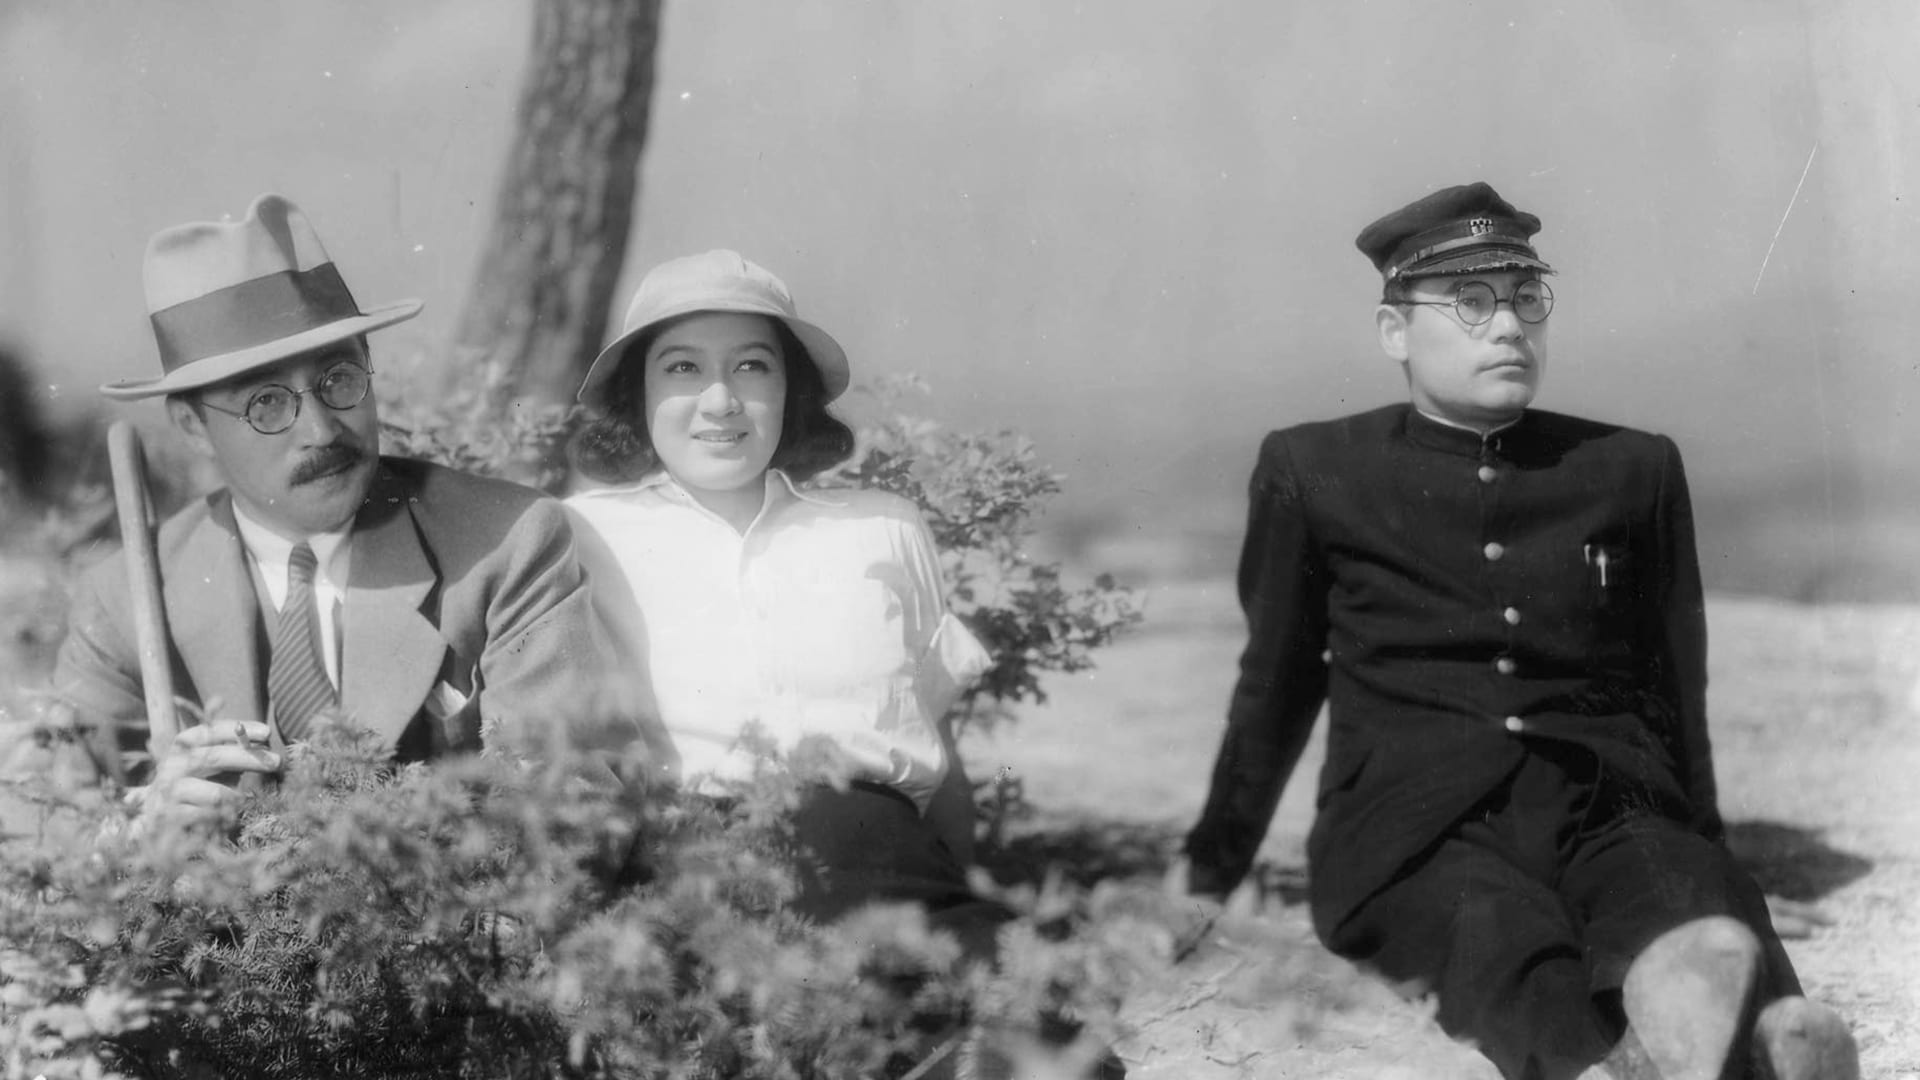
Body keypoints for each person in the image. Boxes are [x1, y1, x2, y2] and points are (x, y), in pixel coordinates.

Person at [1179, 183, 1859, 1080]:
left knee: (1681, 897)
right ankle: (1665, 1063)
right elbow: (1276, 682)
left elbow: (1671, 682)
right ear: (1394, 332)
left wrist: (1710, 851)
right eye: (1470, 302)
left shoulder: (1632, 468)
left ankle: (1751, 1033)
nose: (1508, 327)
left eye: (1526, 297)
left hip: (1604, 806)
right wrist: (1208, 872)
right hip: (1416, 832)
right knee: (1505, 940)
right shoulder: (1314, 470)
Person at [52, 193, 639, 817]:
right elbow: (37, 816)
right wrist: (138, 831)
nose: (322, 430)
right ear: (193, 427)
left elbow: (572, 807)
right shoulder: (125, 599)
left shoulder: (505, 546)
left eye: (338, 380)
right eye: (267, 403)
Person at [563, 249, 1004, 947]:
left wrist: (957, 893)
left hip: (881, 867)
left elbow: (938, 751)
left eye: (751, 366)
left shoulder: (884, 527)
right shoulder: (580, 536)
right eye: (682, 368)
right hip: (687, 881)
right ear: (637, 394)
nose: (720, 401)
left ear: (790, 389)